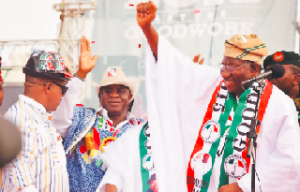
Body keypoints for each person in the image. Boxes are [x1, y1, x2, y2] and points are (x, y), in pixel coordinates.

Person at [136, 1, 300, 192]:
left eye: (232, 67)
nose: (224, 73)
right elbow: (174, 66)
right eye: (223, 65)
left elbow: (290, 158)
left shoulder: (279, 105)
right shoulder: (213, 83)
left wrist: (242, 186)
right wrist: (147, 29)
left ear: (254, 69)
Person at [52, 56, 143, 191]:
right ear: (100, 96)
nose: (114, 95)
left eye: (121, 91)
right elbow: (59, 115)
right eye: (107, 91)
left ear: (130, 97)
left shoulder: (140, 130)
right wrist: (80, 75)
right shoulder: (83, 118)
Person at [0, 50, 74, 192]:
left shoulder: (39, 117)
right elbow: (17, 175)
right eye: (63, 90)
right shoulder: (20, 117)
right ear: (49, 87)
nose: (63, 96)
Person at [263, 51, 300, 124]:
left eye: (277, 72)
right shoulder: (261, 98)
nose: (269, 76)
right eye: (268, 72)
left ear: (296, 79)